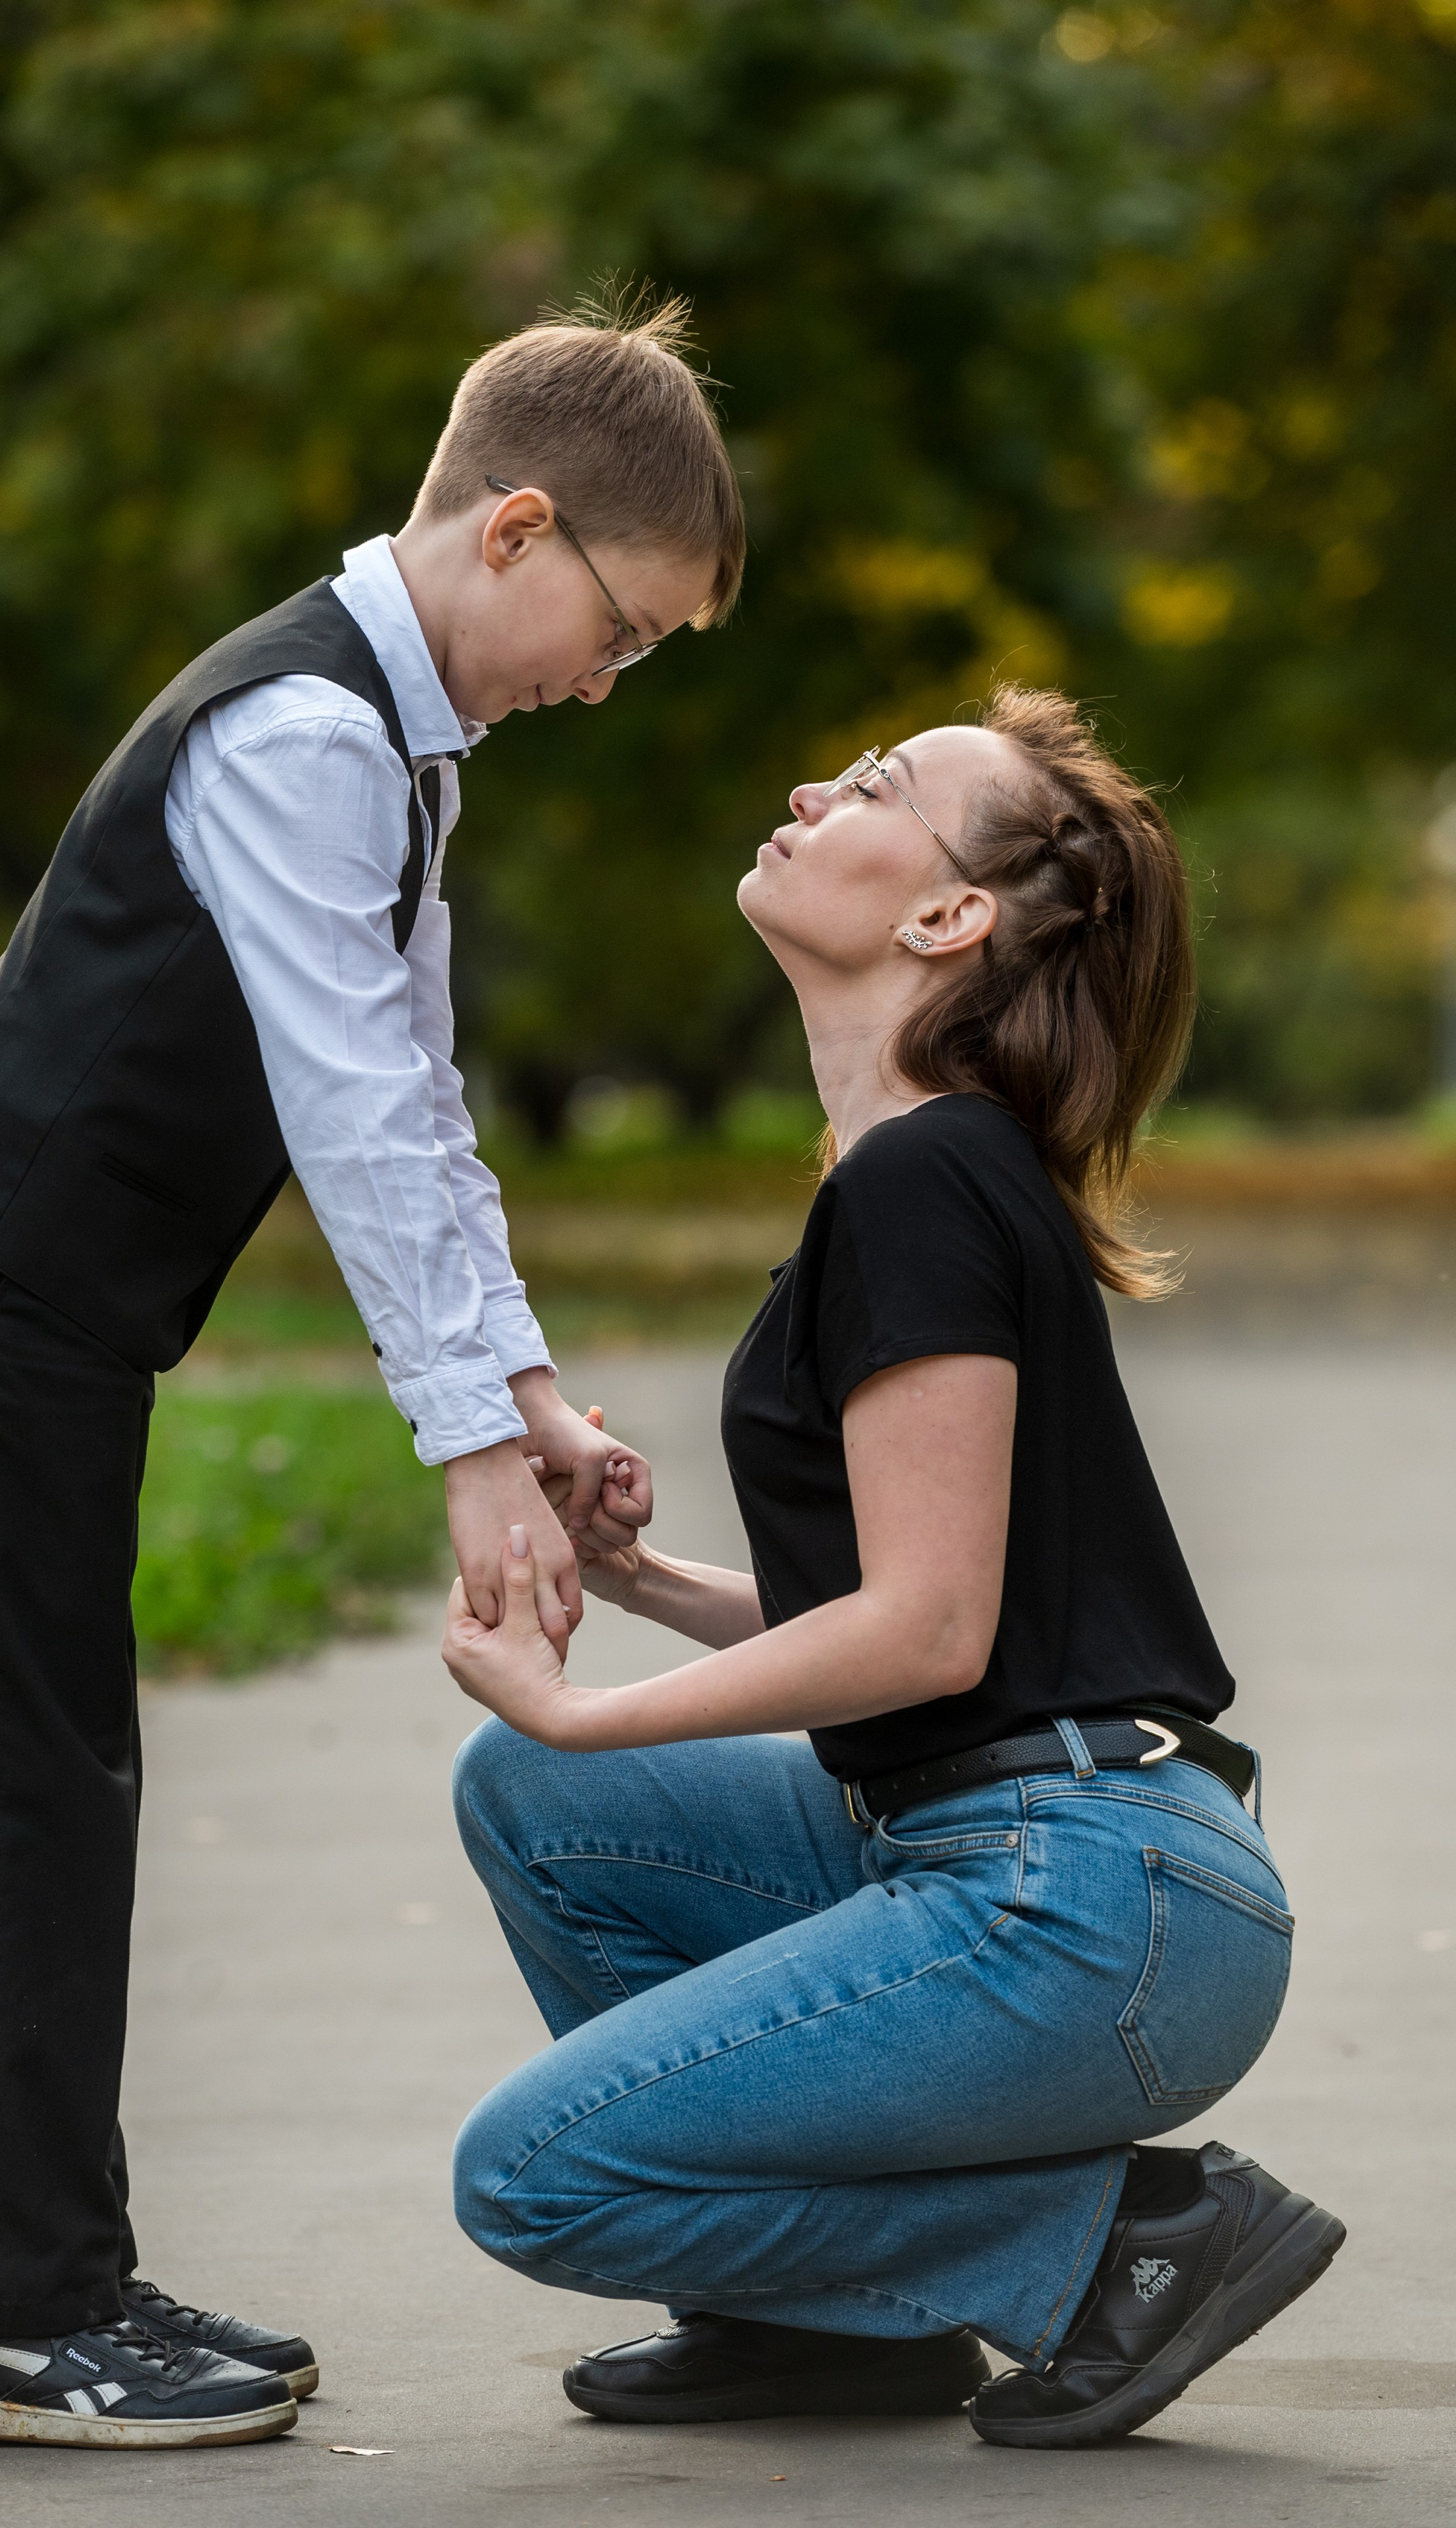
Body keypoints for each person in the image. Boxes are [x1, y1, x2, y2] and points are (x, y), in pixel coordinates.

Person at [0, 295, 744, 2450]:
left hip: (51, 1294)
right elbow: (342, 1110)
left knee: (63, 1760)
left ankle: (60, 2272)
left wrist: (528, 1391)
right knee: (24, 1774)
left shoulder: (404, 742)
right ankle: (16, 2313)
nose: (607, 682)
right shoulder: (309, 732)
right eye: (621, 629)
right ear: (515, 530)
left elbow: (422, 1097)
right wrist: (464, 1449)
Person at [443, 687, 1345, 2450]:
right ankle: (818, 2329)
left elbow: (926, 1631)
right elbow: (948, 1611)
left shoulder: (925, 1178)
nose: (809, 786)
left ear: (948, 918)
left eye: (872, 786)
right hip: (1053, 1855)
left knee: (538, 2173)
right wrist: (647, 1582)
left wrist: (582, 1705)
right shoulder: (922, 1171)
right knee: (529, 1798)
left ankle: (1119, 2249)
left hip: (1081, 1899)